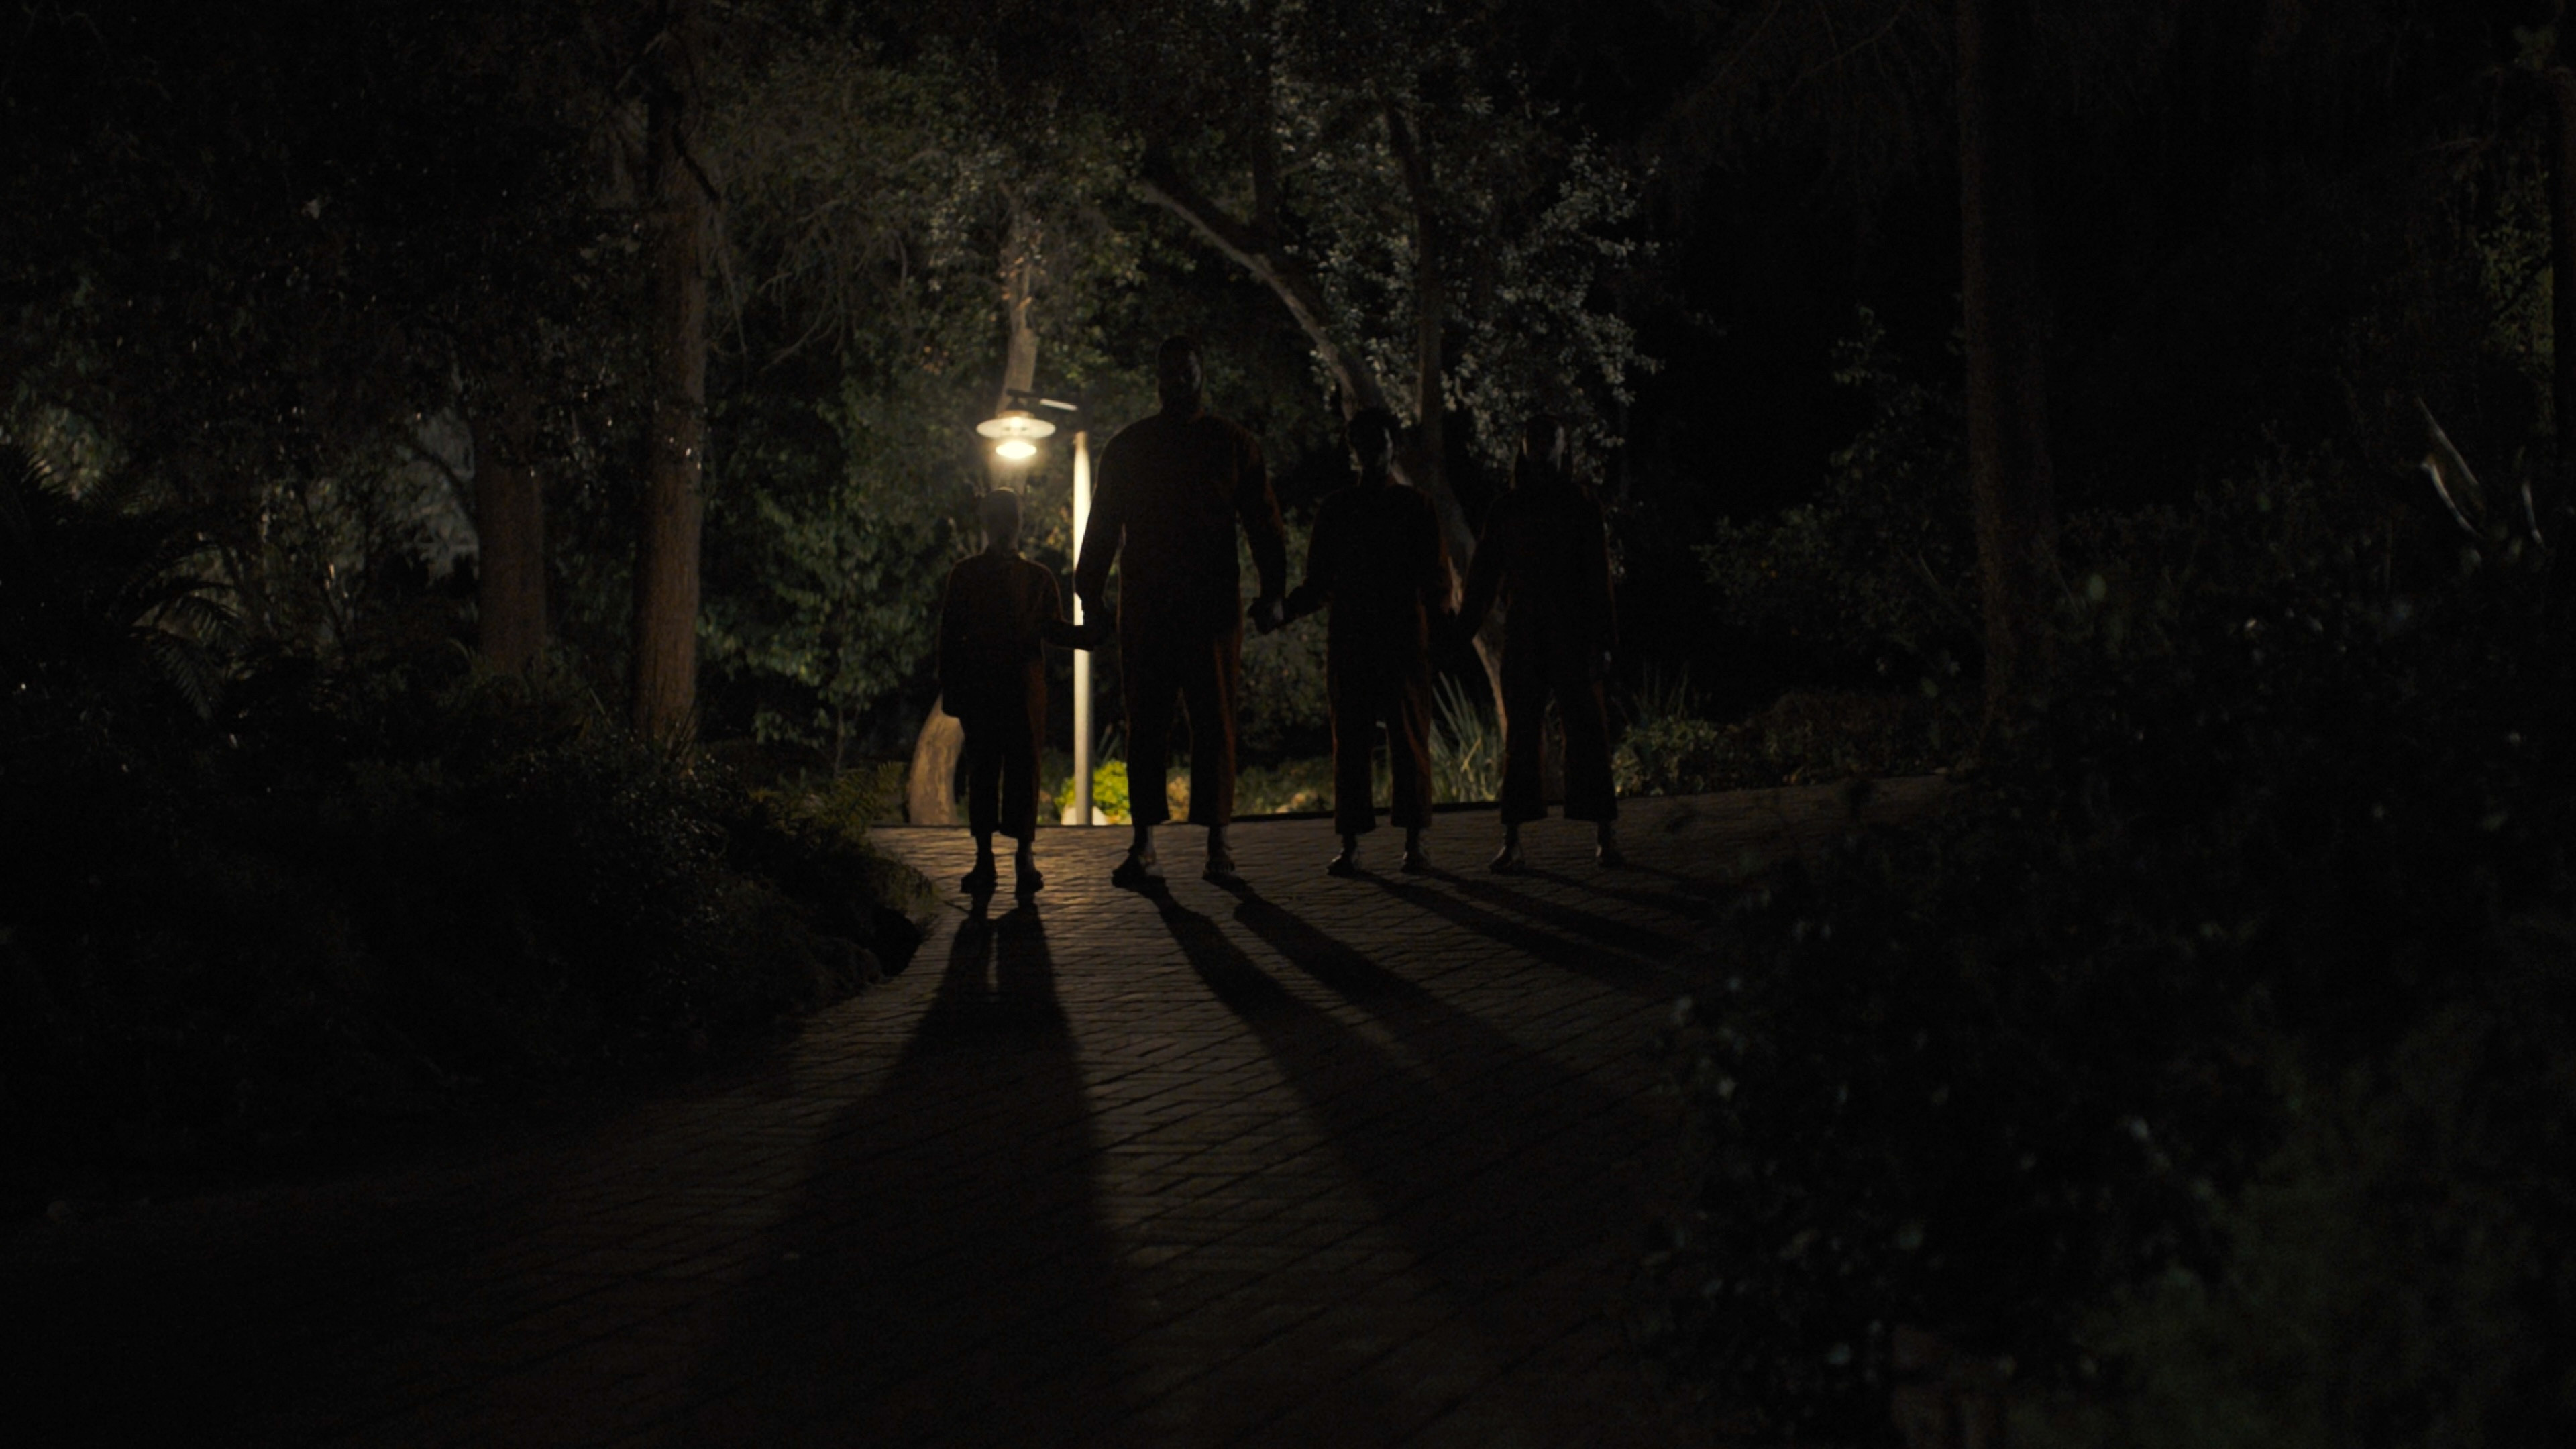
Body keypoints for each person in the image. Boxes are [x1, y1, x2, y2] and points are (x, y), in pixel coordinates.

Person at [1075, 335, 1289, 888]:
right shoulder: (1130, 448)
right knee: (1147, 724)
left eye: (1187, 371)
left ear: (1201, 374)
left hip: (1209, 606)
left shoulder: (1230, 444)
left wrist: (1274, 591)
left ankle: (1217, 841)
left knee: (1213, 722)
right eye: (1170, 372)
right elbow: (1102, 528)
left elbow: (1264, 524)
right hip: (1150, 606)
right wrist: (1090, 594)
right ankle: (1145, 843)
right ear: (1158, 379)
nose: (1179, 381)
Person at [1283, 407, 1450, 876]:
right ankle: (1355, 843)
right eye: (1363, 445)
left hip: (1398, 640)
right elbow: (1319, 583)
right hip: (1357, 640)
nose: (1371, 453)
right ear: (1353, 450)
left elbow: (1436, 579)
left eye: (1378, 443)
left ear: (1392, 446)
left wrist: (1440, 628)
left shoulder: (1413, 506)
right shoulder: (1339, 509)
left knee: (1407, 741)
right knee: (1353, 744)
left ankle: (1412, 842)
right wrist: (1287, 609)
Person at [1452, 413, 1624, 871]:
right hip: (1526, 632)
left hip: (1574, 633)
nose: (1542, 446)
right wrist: (1462, 629)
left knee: (1587, 733)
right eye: (1534, 439)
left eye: (1550, 440)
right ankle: (1512, 840)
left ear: (1563, 448)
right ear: (1525, 447)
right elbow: (1483, 576)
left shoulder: (1580, 505)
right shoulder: (1507, 508)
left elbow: (1598, 577)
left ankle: (1605, 834)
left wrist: (1605, 641)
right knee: (1522, 739)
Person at [937, 489, 1090, 896]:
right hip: (994, 689)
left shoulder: (1026, 577)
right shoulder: (977, 575)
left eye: (1010, 517)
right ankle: (993, 858)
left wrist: (1086, 637)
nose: (1006, 526)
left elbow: (1051, 628)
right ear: (989, 522)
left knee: (1014, 771)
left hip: (1017, 690)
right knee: (987, 772)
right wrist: (954, 690)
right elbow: (950, 638)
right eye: (1000, 517)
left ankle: (1016, 857)